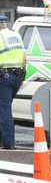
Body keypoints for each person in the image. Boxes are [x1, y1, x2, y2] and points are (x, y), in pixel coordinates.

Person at [0, 15, 26, 149]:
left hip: (4, 77)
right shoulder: (15, 35)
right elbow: (24, 58)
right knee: (5, 108)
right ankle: (3, 138)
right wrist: (22, 77)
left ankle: (8, 142)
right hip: (17, 76)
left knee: (4, 110)